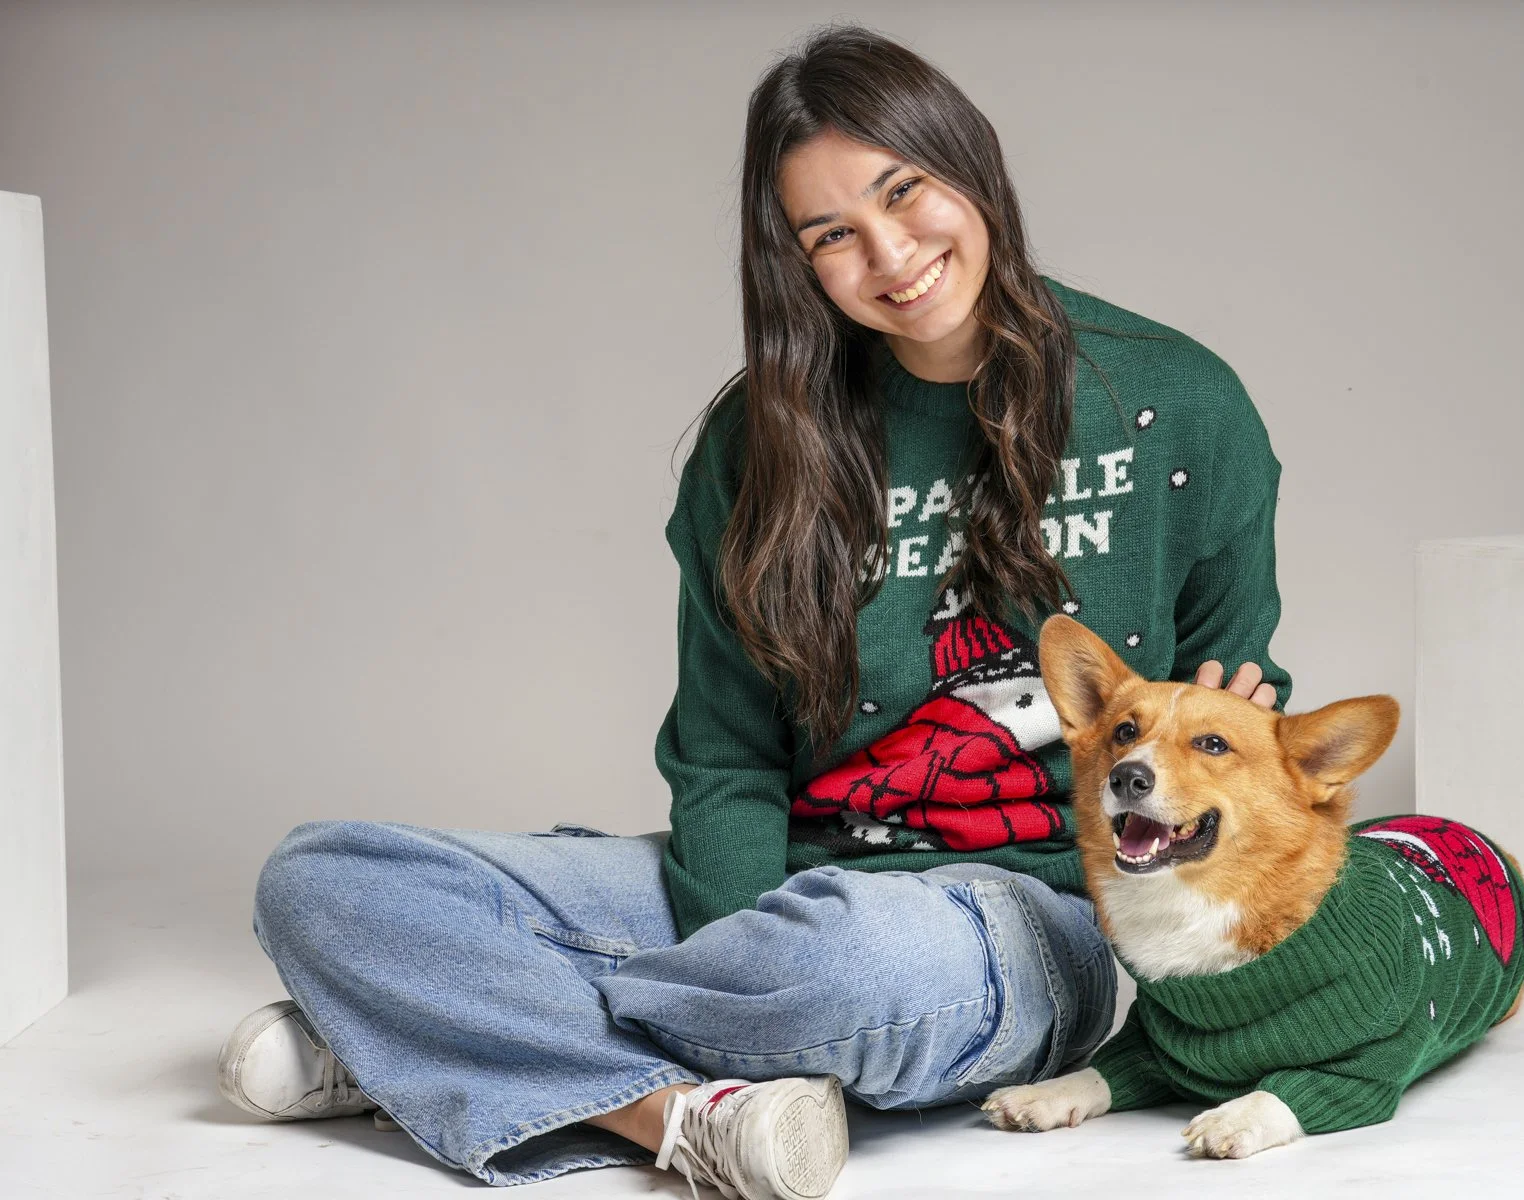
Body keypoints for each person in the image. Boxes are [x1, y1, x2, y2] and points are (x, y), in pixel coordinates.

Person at [214, 21, 1292, 1200]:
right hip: (770, 886)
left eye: (907, 191)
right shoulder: (755, 447)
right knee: (322, 879)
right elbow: (725, 760)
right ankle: (673, 1114)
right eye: (832, 235)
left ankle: (422, 1032)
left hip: (1021, 918)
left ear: (971, 166)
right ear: (794, 261)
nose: (891, 254)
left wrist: (1245, 737)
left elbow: (1225, 722)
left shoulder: (1179, 405)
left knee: (856, 968)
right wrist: (741, 944)